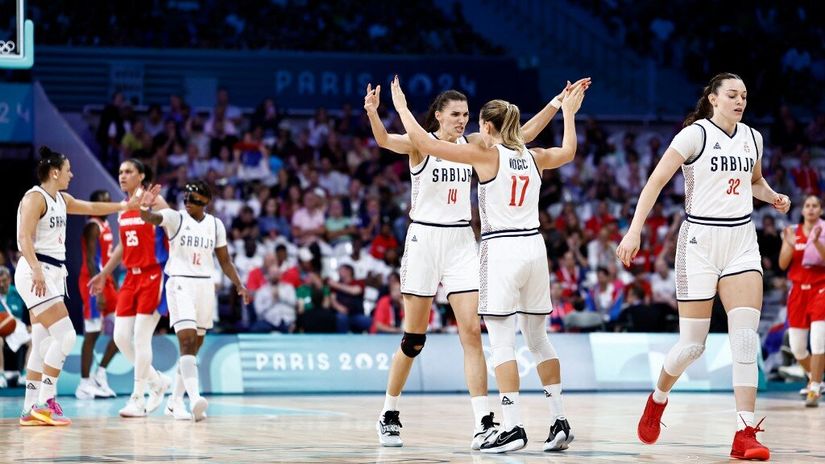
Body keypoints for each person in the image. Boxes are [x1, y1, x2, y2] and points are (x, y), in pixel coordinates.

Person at [367, 76, 589, 450]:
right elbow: (386, 140)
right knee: (414, 338)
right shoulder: (422, 146)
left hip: (460, 241)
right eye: (454, 114)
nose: (461, 120)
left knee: (471, 331)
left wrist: (553, 105)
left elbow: (518, 135)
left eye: (466, 115)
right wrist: (377, 113)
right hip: (423, 239)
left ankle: (483, 420)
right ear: (438, 115)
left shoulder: (476, 144)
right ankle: (389, 411)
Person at [616, 73, 790, 461]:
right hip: (699, 244)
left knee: (745, 339)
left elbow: (754, 182)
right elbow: (655, 183)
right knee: (692, 345)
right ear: (713, 98)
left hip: (742, 242)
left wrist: (772, 195)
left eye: (744, 95)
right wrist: (634, 231)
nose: (740, 101)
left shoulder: (753, 138)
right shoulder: (694, 135)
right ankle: (658, 398)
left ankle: (745, 431)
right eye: (732, 94)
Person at [16, 146, 140, 426]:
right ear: (55, 171)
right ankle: (46, 402)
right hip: (37, 270)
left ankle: (29, 409)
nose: (72, 174)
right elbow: (24, 238)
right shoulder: (35, 197)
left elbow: (92, 207)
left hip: (52, 272)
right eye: (68, 169)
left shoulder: (61, 198)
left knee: (42, 342)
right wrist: (36, 270)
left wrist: (124, 206)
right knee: (67, 336)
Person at [137, 180, 250, 421]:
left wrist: (239, 284)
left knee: (194, 348)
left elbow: (225, 260)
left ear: (205, 201)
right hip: (180, 283)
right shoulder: (175, 218)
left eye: (193, 198)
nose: (188, 202)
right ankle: (195, 397)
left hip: (205, 286)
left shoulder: (216, 225)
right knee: (186, 342)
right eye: (186, 198)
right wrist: (144, 208)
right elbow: (151, 219)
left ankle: (175, 401)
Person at [89, 159, 172, 418]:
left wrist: (151, 212)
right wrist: (104, 273)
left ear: (141, 175)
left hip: (152, 275)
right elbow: (124, 246)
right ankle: (157, 381)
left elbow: (175, 229)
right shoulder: (123, 209)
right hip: (130, 277)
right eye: (120, 171)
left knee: (140, 336)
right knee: (120, 337)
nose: (122, 176)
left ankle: (138, 398)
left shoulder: (156, 203)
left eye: (128, 172)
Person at [778, 195, 825, 407]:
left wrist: (816, 242)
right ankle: (816, 378)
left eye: (815, 206)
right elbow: (782, 264)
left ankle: (814, 388)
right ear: (803, 210)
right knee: (797, 349)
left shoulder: (823, 230)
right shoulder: (792, 231)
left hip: (820, 289)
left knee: (818, 342)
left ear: (821, 210)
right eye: (808, 205)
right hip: (797, 292)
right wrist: (788, 245)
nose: (811, 209)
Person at [75, 190, 120, 400]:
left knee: (123, 330)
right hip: (93, 281)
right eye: (103, 202)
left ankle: (100, 373)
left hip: (107, 280)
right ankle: (84, 383)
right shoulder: (92, 225)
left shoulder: (106, 223)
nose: (108, 205)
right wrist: (99, 288)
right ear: (95, 205)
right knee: (92, 332)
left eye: (109, 201)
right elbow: (92, 260)